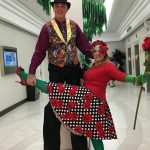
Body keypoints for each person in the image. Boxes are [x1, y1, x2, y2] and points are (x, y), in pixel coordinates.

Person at [16, 40, 146, 150]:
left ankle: (25, 77)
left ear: (104, 51)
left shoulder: (108, 65)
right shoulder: (94, 66)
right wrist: (86, 64)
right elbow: (90, 76)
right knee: (93, 133)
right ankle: (26, 77)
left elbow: (121, 75)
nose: (96, 54)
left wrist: (135, 79)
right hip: (85, 100)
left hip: (94, 101)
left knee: (57, 89)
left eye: (99, 51)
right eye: (94, 51)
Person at [26, 0, 92, 150]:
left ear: (67, 9)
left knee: (77, 110)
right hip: (56, 72)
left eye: (63, 6)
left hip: (74, 71)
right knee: (53, 111)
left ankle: (80, 147)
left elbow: (85, 47)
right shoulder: (46, 28)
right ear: (53, 8)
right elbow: (39, 52)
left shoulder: (74, 26)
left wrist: (100, 56)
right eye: (57, 6)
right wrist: (31, 72)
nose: (60, 8)